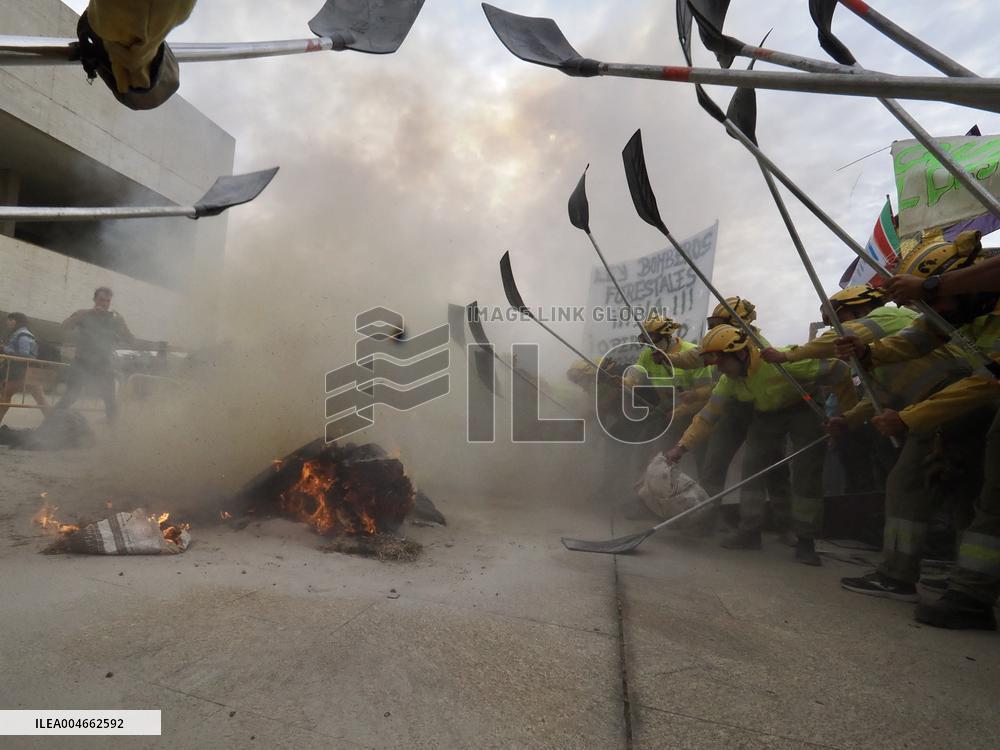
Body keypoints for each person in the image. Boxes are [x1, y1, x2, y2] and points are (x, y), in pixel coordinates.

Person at [833, 231, 1000, 629]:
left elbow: (986, 381)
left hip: (961, 403)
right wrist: (869, 353)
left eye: (931, 301)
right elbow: (916, 338)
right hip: (967, 407)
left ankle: (962, 591)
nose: (927, 312)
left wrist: (910, 418)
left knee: (990, 494)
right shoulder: (964, 308)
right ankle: (971, 584)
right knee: (975, 491)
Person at [666, 325, 857, 566]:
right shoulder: (729, 381)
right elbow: (707, 416)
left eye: (721, 361)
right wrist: (681, 447)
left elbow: (839, 370)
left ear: (741, 353)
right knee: (753, 465)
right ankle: (750, 532)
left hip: (804, 406)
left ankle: (806, 539)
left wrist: (849, 417)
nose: (718, 367)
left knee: (806, 471)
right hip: (767, 414)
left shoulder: (782, 363)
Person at [763, 285, 972, 493]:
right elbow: (878, 395)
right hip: (930, 410)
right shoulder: (875, 353)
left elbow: (838, 336)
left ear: (858, 308)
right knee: (928, 484)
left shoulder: (888, 315)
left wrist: (786, 356)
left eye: (840, 317)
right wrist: (848, 419)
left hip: (953, 400)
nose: (837, 325)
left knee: (912, 485)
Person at [56, 287, 164, 423]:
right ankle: (49, 424)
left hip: (103, 365)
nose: (104, 304)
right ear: (94, 299)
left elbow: (130, 340)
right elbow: (64, 327)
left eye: (108, 301)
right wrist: (85, 313)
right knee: (70, 397)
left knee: (110, 401)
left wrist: (123, 323)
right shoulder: (83, 314)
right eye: (101, 300)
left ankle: (114, 435)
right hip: (81, 363)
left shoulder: (114, 320)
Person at [0, 313, 50, 426]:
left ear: (17, 321)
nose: (8, 322)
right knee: (40, 398)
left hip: (23, 372)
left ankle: (54, 423)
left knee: (5, 395)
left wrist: (5, 349)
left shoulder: (22, 335)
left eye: (10, 320)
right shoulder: (21, 334)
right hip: (28, 371)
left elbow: (24, 355)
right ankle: (54, 423)